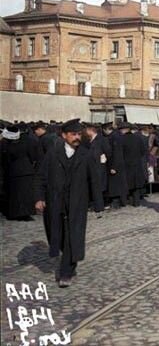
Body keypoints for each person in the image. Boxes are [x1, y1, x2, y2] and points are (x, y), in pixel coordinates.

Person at [34, 119, 104, 287]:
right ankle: (70, 262)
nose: (77, 137)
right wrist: (39, 198)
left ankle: (66, 272)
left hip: (77, 203)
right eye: (73, 134)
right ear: (64, 135)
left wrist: (98, 204)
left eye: (79, 134)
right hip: (55, 201)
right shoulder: (52, 154)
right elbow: (41, 177)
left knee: (73, 235)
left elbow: (94, 180)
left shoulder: (86, 155)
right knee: (56, 235)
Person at [1, 125, 40, 220]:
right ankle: (26, 213)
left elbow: (7, 160)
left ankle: (17, 213)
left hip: (15, 172)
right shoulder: (26, 142)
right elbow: (32, 156)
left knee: (16, 195)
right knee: (26, 194)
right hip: (27, 170)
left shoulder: (7, 146)